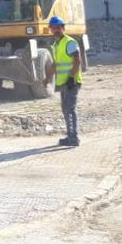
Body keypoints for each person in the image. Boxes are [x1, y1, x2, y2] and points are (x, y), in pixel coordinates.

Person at [43, 17, 83, 148]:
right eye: (53, 28)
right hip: (64, 83)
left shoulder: (69, 42)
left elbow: (77, 60)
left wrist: (72, 77)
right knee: (65, 110)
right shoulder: (56, 45)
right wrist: (48, 78)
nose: (56, 30)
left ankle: (74, 138)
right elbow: (55, 64)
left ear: (63, 28)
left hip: (72, 82)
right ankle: (70, 136)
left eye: (58, 27)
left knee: (70, 110)